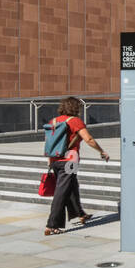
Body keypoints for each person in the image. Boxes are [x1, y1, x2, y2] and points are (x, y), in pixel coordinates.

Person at [44, 97, 110, 236]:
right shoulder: (75, 121)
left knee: (71, 185)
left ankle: (80, 214)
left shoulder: (53, 121)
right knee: (62, 191)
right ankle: (52, 224)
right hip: (70, 161)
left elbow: (49, 143)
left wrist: (50, 161)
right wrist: (102, 151)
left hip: (55, 160)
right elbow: (89, 139)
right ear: (76, 108)